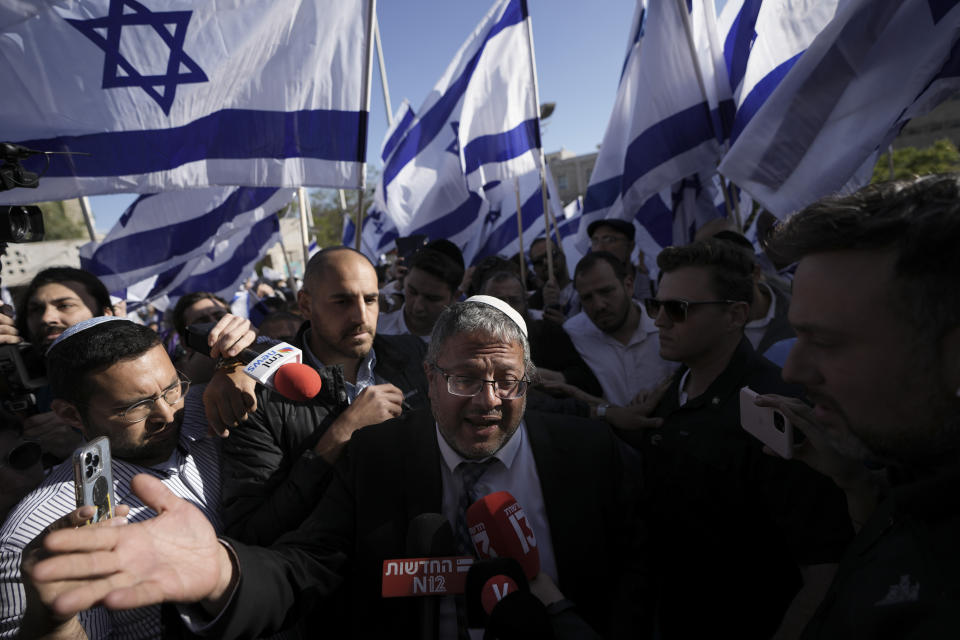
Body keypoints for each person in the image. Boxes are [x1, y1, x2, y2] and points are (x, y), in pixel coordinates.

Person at [27, 298, 647, 639]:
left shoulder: (591, 454)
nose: (488, 401)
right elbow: (305, 567)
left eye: (508, 381)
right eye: (463, 379)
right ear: (427, 381)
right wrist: (223, 571)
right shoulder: (378, 455)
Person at [749, 175, 960, 638]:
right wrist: (860, 489)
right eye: (796, 334)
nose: (792, 371)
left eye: (825, 341)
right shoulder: (912, 472)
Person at [625, 238, 854, 639]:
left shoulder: (777, 410)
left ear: (735, 315)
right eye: (655, 306)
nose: (659, 320)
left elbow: (823, 570)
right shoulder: (664, 398)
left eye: (677, 309)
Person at [0, 317, 222, 639]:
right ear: (70, 415)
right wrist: (51, 623)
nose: (167, 413)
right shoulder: (36, 534)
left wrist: (242, 363)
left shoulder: (214, 409)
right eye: (136, 406)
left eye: (173, 388)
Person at [218, 246, 430, 545]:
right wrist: (336, 440)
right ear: (305, 304)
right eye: (342, 301)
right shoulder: (259, 397)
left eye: (370, 300)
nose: (360, 315)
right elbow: (252, 530)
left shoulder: (414, 356)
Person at [565, 251, 677, 408]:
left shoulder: (666, 328)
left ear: (629, 285)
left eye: (606, 291)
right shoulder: (572, 334)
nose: (599, 305)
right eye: (587, 298)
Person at [480, 269, 601, 399]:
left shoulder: (549, 334)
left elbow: (588, 382)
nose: (507, 308)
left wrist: (543, 376)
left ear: (525, 302)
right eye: (499, 302)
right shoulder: (470, 343)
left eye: (514, 301)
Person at [378, 243, 465, 341]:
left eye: (432, 299)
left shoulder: (461, 344)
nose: (418, 307)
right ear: (404, 280)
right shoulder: (373, 322)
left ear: (455, 297)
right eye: (412, 292)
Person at [586, 219, 653, 300]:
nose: (599, 248)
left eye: (609, 240)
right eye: (595, 241)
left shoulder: (655, 288)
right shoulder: (585, 294)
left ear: (630, 246)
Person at [527, 238, 579, 324]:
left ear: (562, 256)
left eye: (551, 255)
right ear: (534, 269)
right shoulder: (531, 304)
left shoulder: (584, 290)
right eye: (538, 261)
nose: (546, 262)